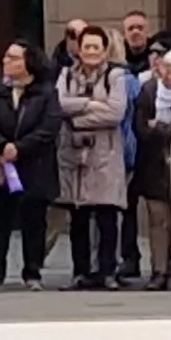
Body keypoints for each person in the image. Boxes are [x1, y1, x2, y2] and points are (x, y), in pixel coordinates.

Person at [53, 27, 133, 289]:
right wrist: (90, 105)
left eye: (95, 47)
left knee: (107, 214)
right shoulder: (66, 74)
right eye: (86, 46)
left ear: (105, 49)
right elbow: (58, 104)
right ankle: (80, 271)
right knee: (78, 216)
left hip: (105, 154)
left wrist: (77, 114)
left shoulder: (116, 76)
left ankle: (107, 271)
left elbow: (114, 113)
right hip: (74, 154)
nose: (90, 52)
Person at [0, 43, 57, 288]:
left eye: (13, 57)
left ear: (28, 62)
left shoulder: (46, 93)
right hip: (1, 165)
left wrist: (20, 147)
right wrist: (1, 146)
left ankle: (32, 273)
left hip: (35, 163)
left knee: (34, 221)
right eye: (6, 56)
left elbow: (49, 127)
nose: (6, 61)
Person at [131, 48, 171, 288]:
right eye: (164, 67)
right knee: (158, 218)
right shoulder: (149, 91)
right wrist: (164, 130)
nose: (165, 73)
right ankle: (159, 271)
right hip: (154, 164)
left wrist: (162, 128)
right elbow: (142, 128)